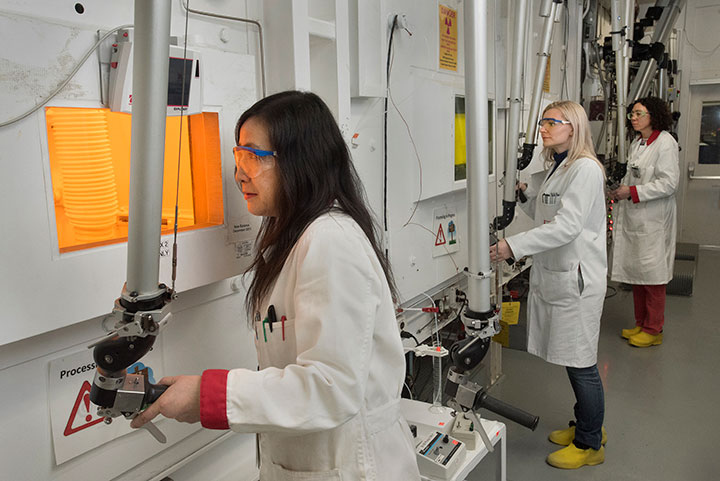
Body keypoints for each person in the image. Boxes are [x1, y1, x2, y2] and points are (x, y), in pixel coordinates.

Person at [131, 91, 421, 481]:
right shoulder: (297, 241)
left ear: (301, 159)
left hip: (354, 467)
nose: (239, 174)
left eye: (254, 157)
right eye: (238, 157)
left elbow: (331, 386)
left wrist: (207, 395)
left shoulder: (330, 241)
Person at [490, 101, 607, 469]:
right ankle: (587, 425)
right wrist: (525, 196)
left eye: (551, 122)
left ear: (572, 127)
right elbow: (548, 216)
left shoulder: (585, 169)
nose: (542, 127)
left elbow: (568, 227)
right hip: (561, 275)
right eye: (542, 122)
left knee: (582, 363)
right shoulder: (559, 167)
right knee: (575, 361)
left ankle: (590, 444)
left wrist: (513, 246)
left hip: (577, 280)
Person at [609, 96, 679, 348]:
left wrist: (633, 192)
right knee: (639, 274)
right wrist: (620, 191)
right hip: (636, 218)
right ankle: (641, 323)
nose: (634, 118)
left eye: (639, 114)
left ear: (654, 116)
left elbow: (669, 183)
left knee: (653, 277)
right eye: (632, 114)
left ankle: (653, 329)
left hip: (654, 220)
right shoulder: (637, 143)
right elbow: (634, 175)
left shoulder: (665, 143)